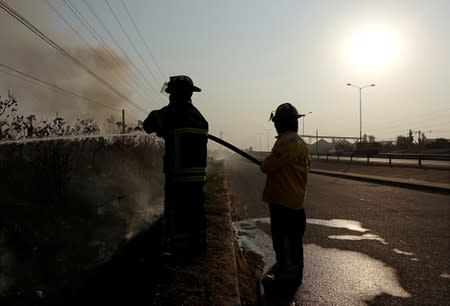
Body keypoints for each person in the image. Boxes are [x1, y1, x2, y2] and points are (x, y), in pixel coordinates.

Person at [143, 75, 208, 258]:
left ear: (175, 94)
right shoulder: (200, 118)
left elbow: (148, 125)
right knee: (196, 212)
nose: (169, 97)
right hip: (198, 177)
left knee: (176, 213)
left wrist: (162, 128)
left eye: (171, 93)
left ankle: (177, 251)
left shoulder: (170, 113)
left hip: (178, 177)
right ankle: (199, 246)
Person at [260, 103, 311, 289]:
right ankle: (290, 269)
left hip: (283, 202)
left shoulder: (284, 143)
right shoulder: (301, 143)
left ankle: (286, 278)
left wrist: (264, 163)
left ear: (279, 123)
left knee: (283, 241)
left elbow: (269, 166)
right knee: (294, 241)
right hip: (297, 202)